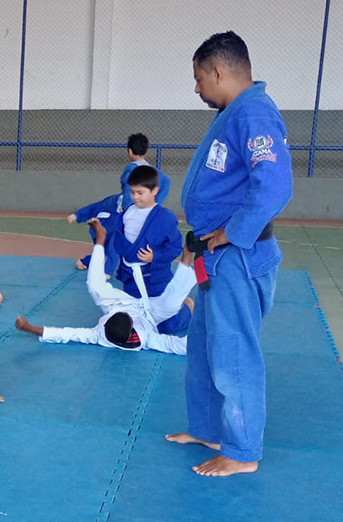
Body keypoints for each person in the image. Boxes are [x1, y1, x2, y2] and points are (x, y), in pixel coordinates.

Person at [164, 31, 292, 477]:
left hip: (238, 255)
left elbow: (273, 184)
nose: (197, 87)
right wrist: (196, 236)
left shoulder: (254, 113)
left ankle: (240, 451)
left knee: (234, 354)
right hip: (213, 255)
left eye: (199, 78)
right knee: (202, 349)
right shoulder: (234, 113)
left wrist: (234, 232)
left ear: (218, 70)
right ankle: (208, 429)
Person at [14, 218, 196, 354]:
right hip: (150, 314)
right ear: (132, 325)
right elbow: (174, 345)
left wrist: (29, 328)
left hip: (115, 304)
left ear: (108, 320)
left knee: (94, 286)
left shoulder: (98, 333)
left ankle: (100, 241)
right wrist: (207, 343)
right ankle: (187, 258)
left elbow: (68, 333)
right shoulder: (146, 337)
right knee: (171, 304)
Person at [97, 165, 192, 333]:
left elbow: (175, 246)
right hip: (131, 276)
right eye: (132, 192)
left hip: (155, 277)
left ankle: (187, 309)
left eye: (140, 193)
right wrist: (108, 266)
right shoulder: (126, 214)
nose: (135, 197)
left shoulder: (165, 217)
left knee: (165, 326)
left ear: (155, 190)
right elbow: (118, 244)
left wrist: (155, 256)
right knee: (134, 322)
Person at [69, 133, 172, 267]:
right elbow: (166, 184)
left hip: (123, 209)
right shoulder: (157, 174)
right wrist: (153, 205)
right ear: (146, 151)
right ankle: (79, 218)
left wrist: (128, 206)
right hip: (137, 209)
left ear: (129, 151)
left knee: (108, 232)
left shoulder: (131, 170)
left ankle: (98, 264)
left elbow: (128, 190)